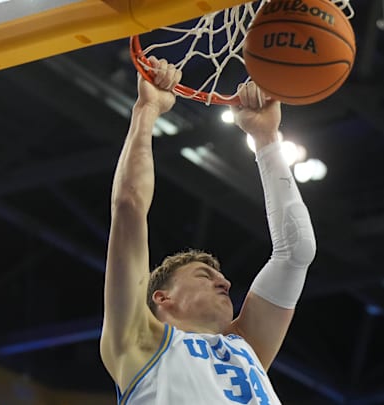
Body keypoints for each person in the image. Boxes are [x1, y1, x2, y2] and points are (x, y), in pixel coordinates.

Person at [100, 56, 316, 404]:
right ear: (161, 297)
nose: (225, 282)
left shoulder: (243, 348)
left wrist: (266, 139)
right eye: (204, 275)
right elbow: (129, 206)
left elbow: (296, 250)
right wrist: (147, 110)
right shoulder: (139, 343)